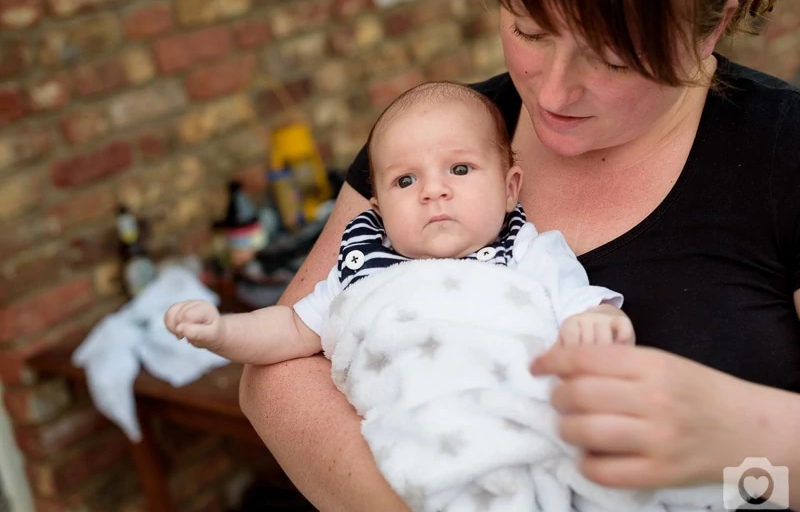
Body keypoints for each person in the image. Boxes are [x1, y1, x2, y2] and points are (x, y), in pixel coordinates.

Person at [238, 0, 800, 512]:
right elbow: (278, 375)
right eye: (530, 29)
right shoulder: (431, 140)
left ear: (712, 26)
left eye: (613, 56)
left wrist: (736, 428)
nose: (554, 89)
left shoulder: (785, 151)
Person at [164, 81, 634, 374]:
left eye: (460, 169)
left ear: (510, 188)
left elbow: (582, 307)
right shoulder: (367, 267)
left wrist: (601, 325)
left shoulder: (526, 252)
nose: (433, 191)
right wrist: (221, 332)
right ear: (379, 208)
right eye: (406, 180)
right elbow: (288, 328)